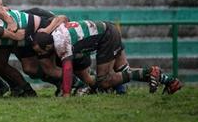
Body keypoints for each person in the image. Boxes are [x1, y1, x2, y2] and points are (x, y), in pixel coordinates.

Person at [31, 20, 183, 96]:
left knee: (104, 81)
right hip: (108, 28)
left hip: (106, 36)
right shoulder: (53, 33)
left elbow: (68, 69)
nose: (39, 55)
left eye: (40, 52)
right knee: (125, 72)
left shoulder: (61, 44)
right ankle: (170, 81)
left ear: (48, 47)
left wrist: (65, 95)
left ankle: (151, 71)